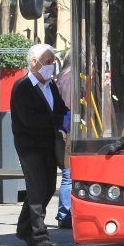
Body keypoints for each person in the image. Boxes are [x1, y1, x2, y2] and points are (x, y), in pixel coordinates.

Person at [11, 44, 69, 246]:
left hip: (48, 143)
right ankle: (38, 234)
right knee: (37, 189)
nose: (51, 66)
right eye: (47, 62)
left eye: (53, 62)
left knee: (48, 188)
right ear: (34, 63)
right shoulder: (23, 87)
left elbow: (61, 108)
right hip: (29, 145)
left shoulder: (51, 86)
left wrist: (67, 116)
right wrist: (58, 120)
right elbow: (29, 119)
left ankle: (24, 227)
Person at [54, 50, 73, 229]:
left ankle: (65, 213)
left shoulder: (61, 77)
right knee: (68, 175)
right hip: (68, 134)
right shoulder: (70, 79)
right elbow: (68, 109)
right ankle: (65, 213)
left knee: (68, 175)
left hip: (62, 133)